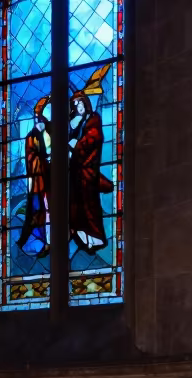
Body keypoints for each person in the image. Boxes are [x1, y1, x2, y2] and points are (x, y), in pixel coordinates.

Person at [69, 66, 114, 253]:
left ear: (86, 104)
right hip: (77, 173)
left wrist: (75, 145)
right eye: (75, 105)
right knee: (77, 208)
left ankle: (95, 238)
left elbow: (93, 139)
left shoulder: (93, 119)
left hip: (88, 171)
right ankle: (82, 235)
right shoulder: (79, 123)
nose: (78, 108)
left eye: (80, 104)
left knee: (90, 207)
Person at [17, 96, 51, 258]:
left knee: (46, 211)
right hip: (38, 181)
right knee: (37, 210)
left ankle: (46, 241)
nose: (41, 122)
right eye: (40, 119)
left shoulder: (46, 133)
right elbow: (33, 157)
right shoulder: (32, 137)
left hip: (47, 179)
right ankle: (37, 243)